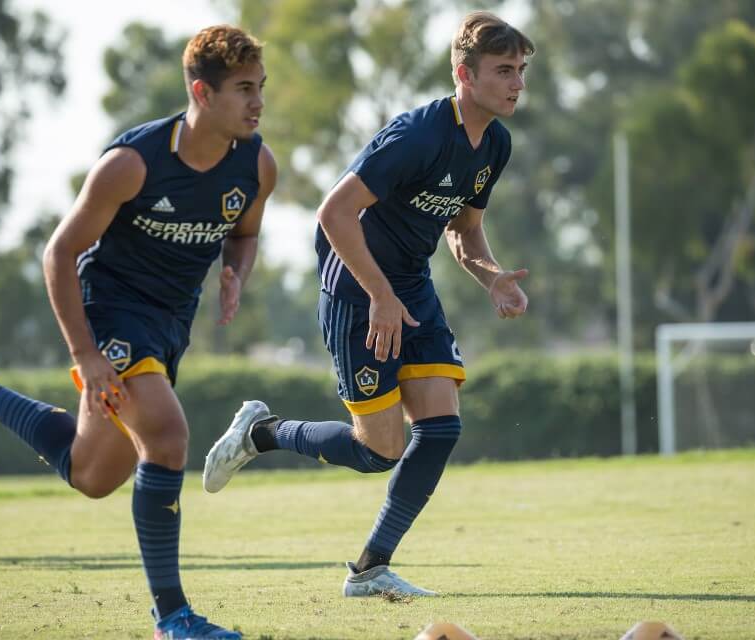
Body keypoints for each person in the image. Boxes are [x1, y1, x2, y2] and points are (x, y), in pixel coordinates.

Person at [0, 25, 274, 639]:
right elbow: (58, 253)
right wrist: (85, 354)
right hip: (111, 313)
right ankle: (172, 618)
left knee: (93, 475)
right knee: (169, 439)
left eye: (262, 88)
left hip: (169, 327)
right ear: (202, 92)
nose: (258, 102)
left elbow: (245, 232)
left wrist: (235, 270)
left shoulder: (257, 165)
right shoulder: (132, 164)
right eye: (245, 89)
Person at [202, 11, 532, 597]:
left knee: (440, 427)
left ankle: (369, 569)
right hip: (356, 286)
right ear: (465, 74)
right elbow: (332, 213)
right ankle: (262, 433)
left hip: (410, 286)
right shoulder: (419, 134)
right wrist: (379, 294)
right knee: (378, 450)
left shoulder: (494, 144)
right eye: (504, 70)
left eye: (520, 71)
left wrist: (492, 278)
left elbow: (464, 230)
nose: (516, 83)